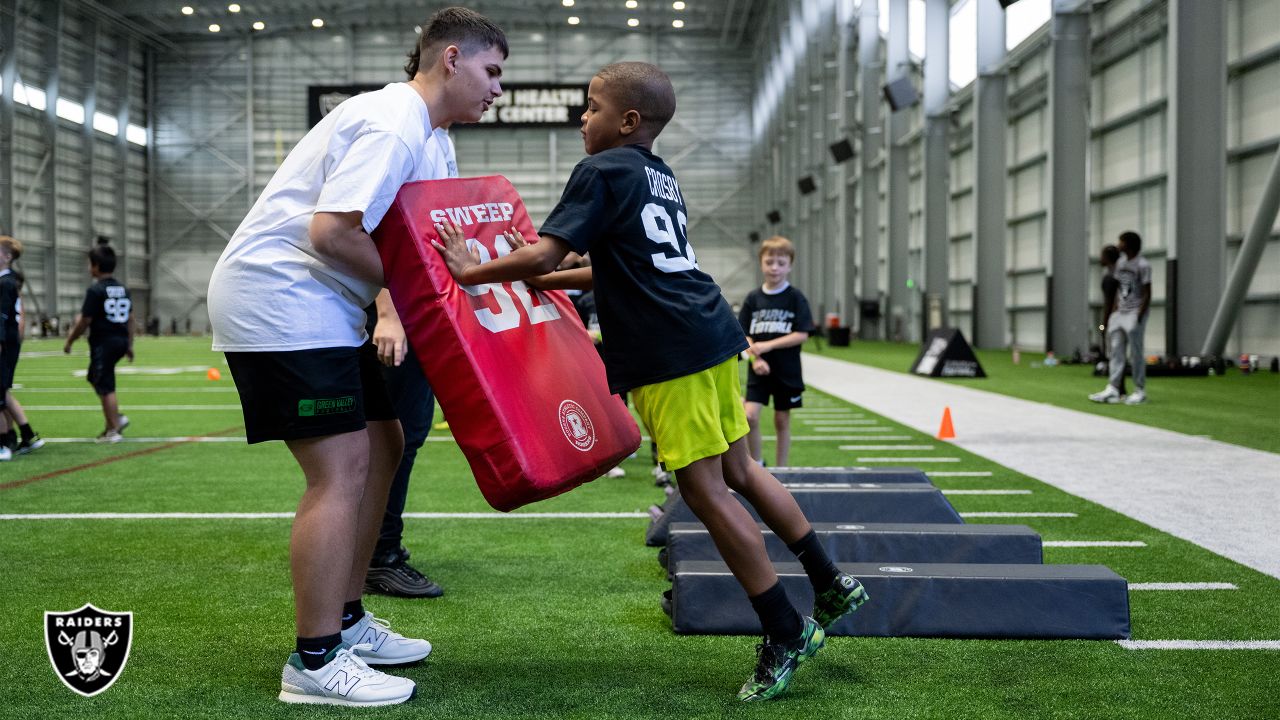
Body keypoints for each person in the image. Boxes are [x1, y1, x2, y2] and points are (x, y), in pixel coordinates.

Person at [432, 61, 869, 702]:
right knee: (743, 472)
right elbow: (621, 268)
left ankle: (785, 628)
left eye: (591, 108)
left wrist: (473, 271)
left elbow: (549, 250)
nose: (583, 119)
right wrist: (544, 282)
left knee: (707, 492)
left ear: (628, 121)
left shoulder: (601, 170)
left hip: (673, 354)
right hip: (714, 334)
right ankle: (828, 579)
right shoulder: (658, 176)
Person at [206, 7, 506, 706]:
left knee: (387, 441)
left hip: (320, 306)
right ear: (451, 59)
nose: (497, 89)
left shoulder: (432, 137)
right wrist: (422, 292)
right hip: (283, 301)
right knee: (338, 471)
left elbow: (417, 243)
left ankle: (345, 621)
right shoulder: (394, 121)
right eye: (492, 73)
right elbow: (332, 232)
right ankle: (313, 663)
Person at [739, 236, 814, 467]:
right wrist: (755, 358)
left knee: (782, 420)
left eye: (781, 263)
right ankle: (757, 464)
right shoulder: (753, 298)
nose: (774, 268)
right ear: (761, 263)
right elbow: (743, 334)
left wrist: (769, 346)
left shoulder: (795, 297)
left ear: (790, 265)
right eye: (769, 262)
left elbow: (802, 333)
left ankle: (782, 469)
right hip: (759, 370)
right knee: (749, 416)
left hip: (786, 370)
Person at [63, 239, 134, 442]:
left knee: (105, 385)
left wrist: (70, 340)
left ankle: (114, 427)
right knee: (94, 377)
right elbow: (131, 318)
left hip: (104, 342)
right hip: (119, 340)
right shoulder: (123, 289)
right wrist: (129, 344)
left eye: (89, 263)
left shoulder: (95, 291)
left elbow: (85, 320)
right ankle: (113, 420)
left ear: (95, 266)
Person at [1090, 231, 1151, 405]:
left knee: (1136, 353)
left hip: (1133, 313)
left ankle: (1140, 390)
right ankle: (1114, 388)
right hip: (1120, 313)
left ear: (1129, 244)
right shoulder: (1120, 264)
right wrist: (1115, 314)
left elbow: (1147, 292)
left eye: (1121, 241)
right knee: (1116, 351)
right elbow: (1117, 293)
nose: (1118, 244)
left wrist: (1139, 315)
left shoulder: (1143, 265)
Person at [1, 237, 45, 460]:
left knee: (1, 392)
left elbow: (9, 316)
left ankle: (9, 441)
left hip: (5, 342)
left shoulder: (7, 283)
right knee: (3, 392)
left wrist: (7, 343)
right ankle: (15, 435)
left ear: (7, 257)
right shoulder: (8, 282)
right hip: (8, 342)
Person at [1096, 244, 1126, 396]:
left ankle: (1116, 388)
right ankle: (1120, 387)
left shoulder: (1110, 277)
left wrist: (1103, 324)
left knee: (1114, 353)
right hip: (1122, 318)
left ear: (1107, 258)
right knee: (1118, 353)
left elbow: (1109, 303)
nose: (1099, 258)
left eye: (1101, 255)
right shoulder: (1120, 274)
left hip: (1113, 319)